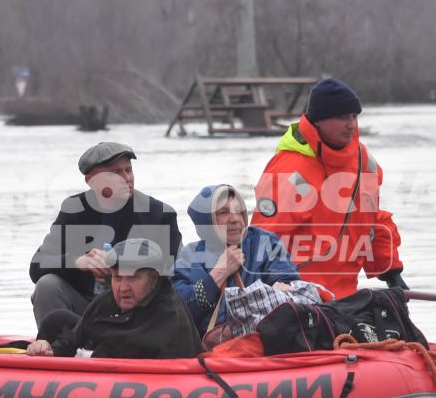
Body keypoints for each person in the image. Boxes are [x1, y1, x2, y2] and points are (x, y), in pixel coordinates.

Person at [253, 77, 405, 299]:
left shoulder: (364, 162)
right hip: (299, 296)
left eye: (354, 116)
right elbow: (262, 239)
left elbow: (374, 221)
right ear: (319, 122)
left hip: (347, 297)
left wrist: (391, 271)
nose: (351, 124)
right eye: (342, 117)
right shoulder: (288, 170)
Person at [27, 141, 182, 325]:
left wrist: (119, 268)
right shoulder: (74, 209)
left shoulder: (159, 215)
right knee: (47, 286)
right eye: (116, 173)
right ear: (92, 181)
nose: (127, 178)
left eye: (128, 170)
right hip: (87, 307)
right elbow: (37, 266)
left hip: (141, 313)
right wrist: (76, 261)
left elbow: (172, 277)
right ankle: (58, 346)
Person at [27, 237, 202, 360]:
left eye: (133, 278)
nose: (123, 288)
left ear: (154, 279)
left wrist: (91, 354)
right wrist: (49, 349)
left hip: (156, 387)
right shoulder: (106, 302)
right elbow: (76, 337)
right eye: (117, 278)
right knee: (56, 320)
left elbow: (137, 346)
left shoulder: (170, 314)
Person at [172, 183, 303, 332]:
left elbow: (290, 284)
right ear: (207, 222)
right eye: (223, 212)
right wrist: (218, 274)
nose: (234, 219)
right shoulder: (191, 256)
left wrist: (281, 288)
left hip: (264, 340)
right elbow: (178, 313)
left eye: (239, 211)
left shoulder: (265, 242)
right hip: (214, 347)